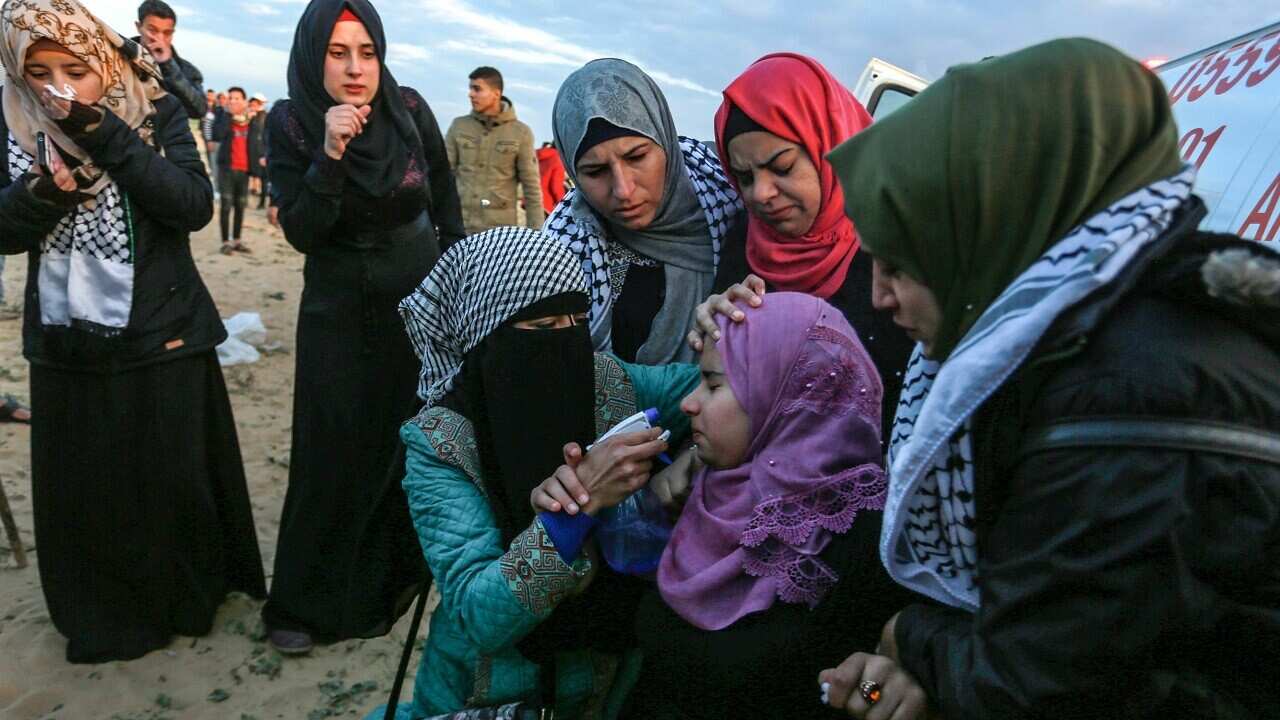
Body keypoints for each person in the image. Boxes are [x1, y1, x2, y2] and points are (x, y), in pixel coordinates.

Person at [816, 38, 1280, 719]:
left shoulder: (1128, 394)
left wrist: (908, 637)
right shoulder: (1068, 343)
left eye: (904, 263)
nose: (880, 296)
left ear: (1000, 225)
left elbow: (1042, 688)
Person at [0, 0, 265, 663]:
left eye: (76, 68)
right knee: (88, 495)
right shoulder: (9, 119)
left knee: (168, 484)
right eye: (40, 71)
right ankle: (103, 613)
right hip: (66, 344)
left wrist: (109, 136)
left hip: (162, 333)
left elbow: (191, 205)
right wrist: (41, 197)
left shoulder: (154, 107)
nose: (59, 87)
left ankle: (186, 603)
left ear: (106, 64)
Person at [367, 226, 698, 719]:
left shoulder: (605, 380)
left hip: (605, 681)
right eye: (543, 329)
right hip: (483, 690)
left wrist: (731, 326)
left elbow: (727, 388)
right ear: (486, 335)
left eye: (578, 319)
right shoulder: (441, 442)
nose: (566, 341)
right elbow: (481, 616)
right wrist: (577, 505)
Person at [533, 292, 912, 719]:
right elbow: (596, 627)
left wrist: (878, 694)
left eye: (713, 385)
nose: (688, 403)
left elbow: (876, 688)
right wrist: (571, 517)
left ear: (780, 396)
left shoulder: (861, 535)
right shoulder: (705, 492)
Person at [263, 0, 465, 656]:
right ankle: (305, 602)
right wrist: (329, 156)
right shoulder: (290, 122)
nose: (355, 69)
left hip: (417, 304)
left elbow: (443, 201)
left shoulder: (409, 109)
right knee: (331, 452)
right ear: (313, 54)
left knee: (401, 443)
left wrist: (454, 281)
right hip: (337, 312)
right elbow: (302, 230)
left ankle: (389, 581)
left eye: (367, 52)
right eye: (338, 52)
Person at [689, 53, 914, 444]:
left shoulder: (897, 240)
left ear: (830, 144)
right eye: (744, 177)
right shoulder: (745, 239)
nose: (761, 193)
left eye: (782, 167)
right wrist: (718, 331)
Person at [544, 58, 744, 364]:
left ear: (665, 141)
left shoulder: (732, 201)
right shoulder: (564, 247)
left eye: (637, 157)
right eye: (595, 171)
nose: (623, 190)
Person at [445, 66, 544, 234]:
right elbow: (443, 176)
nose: (471, 94)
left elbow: (531, 189)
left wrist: (536, 235)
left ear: (496, 94)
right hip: (459, 226)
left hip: (497, 234)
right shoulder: (459, 126)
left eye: (477, 89)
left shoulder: (520, 133)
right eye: (470, 88)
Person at [132, 0, 204, 119]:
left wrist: (168, 65)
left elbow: (198, 110)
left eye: (167, 33)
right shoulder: (119, 56)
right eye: (152, 30)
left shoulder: (187, 70)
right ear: (139, 27)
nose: (159, 38)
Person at [212, 86, 256, 253]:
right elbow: (218, 134)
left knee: (240, 206)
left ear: (244, 101)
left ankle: (237, 240)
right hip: (227, 168)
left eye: (237, 98)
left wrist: (257, 171)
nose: (232, 101)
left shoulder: (251, 120)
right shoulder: (223, 116)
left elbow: (257, 144)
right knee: (226, 205)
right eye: (230, 98)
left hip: (244, 169)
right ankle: (225, 242)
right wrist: (229, 115)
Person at [249, 92, 268, 208]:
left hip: (261, 152)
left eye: (254, 103)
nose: (252, 105)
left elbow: (265, 136)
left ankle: (262, 202)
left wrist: (265, 154)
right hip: (253, 151)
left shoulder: (264, 116)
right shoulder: (254, 116)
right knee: (256, 175)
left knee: (264, 178)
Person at [536, 140, 566, 215]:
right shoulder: (557, 159)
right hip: (543, 205)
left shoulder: (536, 156)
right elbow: (556, 187)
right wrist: (564, 206)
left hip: (526, 200)